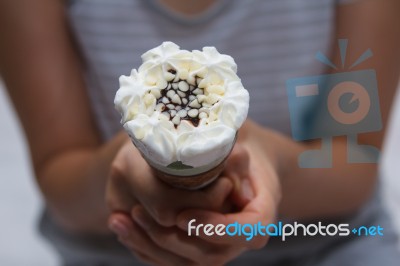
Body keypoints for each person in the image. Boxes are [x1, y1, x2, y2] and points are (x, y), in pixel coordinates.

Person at [1, 0, 400, 265]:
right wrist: (124, 174)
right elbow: (61, 174)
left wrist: (272, 161)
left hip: (327, 242)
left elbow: (352, 161)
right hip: (120, 251)